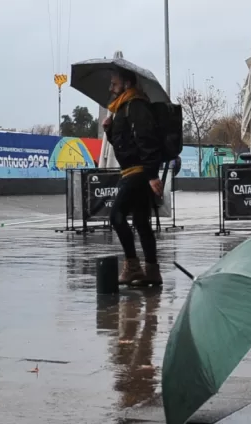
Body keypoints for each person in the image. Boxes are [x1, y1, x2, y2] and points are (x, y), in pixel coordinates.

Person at [103, 67, 163, 286]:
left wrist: (151, 175)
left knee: (116, 216)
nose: (111, 88)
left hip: (138, 172)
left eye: (114, 84)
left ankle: (132, 265)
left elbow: (147, 140)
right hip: (133, 170)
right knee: (140, 221)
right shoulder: (123, 108)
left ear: (127, 84)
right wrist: (109, 131)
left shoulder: (136, 105)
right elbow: (125, 143)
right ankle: (152, 270)